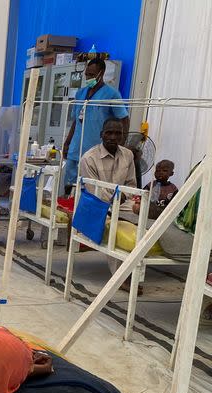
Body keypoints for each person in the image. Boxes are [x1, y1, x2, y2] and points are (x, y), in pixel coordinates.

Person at [79, 117, 138, 287]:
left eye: (117, 133)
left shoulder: (128, 155)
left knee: (143, 216)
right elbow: (93, 190)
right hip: (95, 204)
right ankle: (121, 277)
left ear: (123, 136)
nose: (113, 137)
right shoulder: (89, 158)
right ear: (101, 135)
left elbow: (131, 184)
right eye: (109, 133)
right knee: (113, 227)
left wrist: (124, 198)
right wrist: (116, 201)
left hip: (122, 202)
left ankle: (139, 264)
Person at [63, 58, 130, 194]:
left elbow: (124, 119)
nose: (88, 78)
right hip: (76, 148)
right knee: (69, 184)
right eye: (87, 74)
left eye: (92, 75)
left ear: (102, 73)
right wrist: (67, 143)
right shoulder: (81, 93)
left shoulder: (111, 94)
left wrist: (121, 145)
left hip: (96, 151)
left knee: (91, 188)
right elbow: (76, 120)